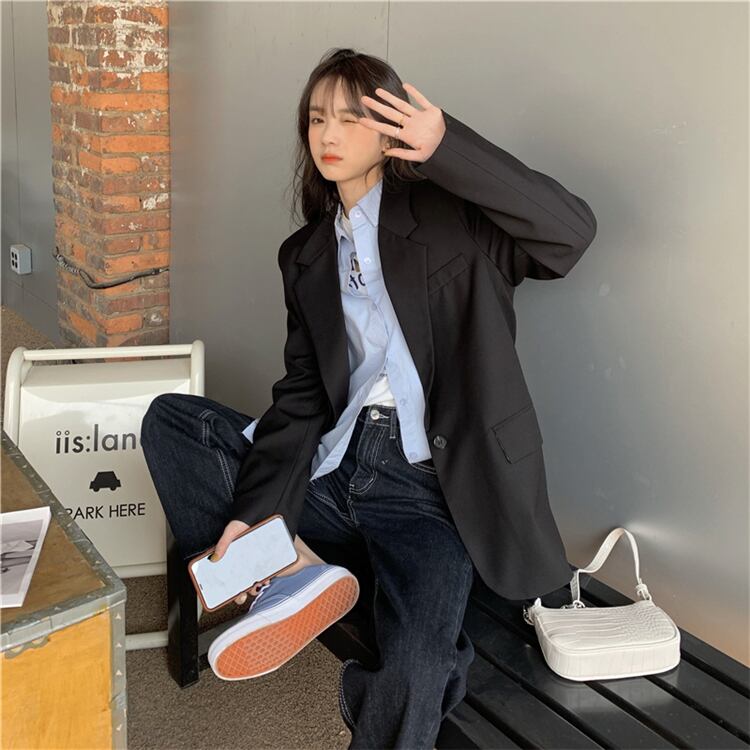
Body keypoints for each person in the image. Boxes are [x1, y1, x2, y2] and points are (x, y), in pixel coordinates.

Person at [141, 47, 596, 749]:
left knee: (417, 665)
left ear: (390, 132)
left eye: (351, 119)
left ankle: (302, 579)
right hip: (334, 472)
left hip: (428, 491)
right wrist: (259, 511)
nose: (328, 134)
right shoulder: (305, 255)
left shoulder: (453, 220)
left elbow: (570, 233)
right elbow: (302, 393)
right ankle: (292, 566)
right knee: (172, 421)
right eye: (316, 118)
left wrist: (448, 146)